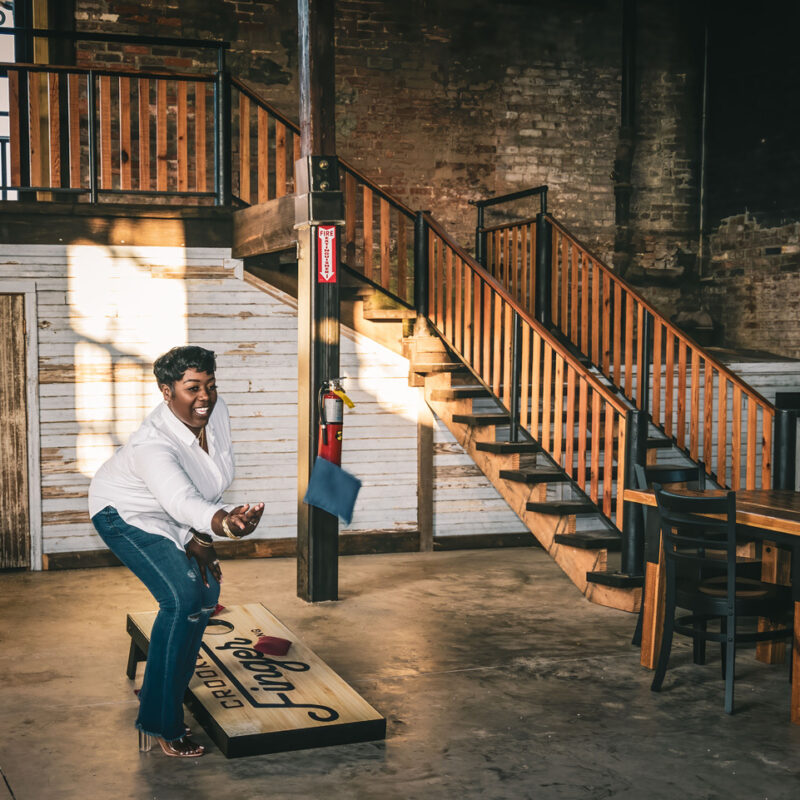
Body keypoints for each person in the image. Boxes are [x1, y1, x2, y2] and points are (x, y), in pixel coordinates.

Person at [89, 345, 264, 758]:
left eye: (210, 385)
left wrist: (200, 537)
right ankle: (160, 722)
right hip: (125, 513)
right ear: (167, 392)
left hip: (179, 513)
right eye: (192, 388)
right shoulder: (153, 443)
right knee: (182, 598)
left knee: (207, 595)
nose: (205, 396)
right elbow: (181, 499)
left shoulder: (214, 413)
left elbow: (205, 484)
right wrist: (220, 523)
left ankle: (166, 685)